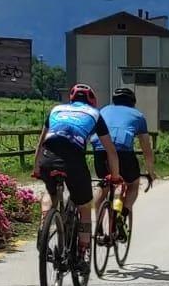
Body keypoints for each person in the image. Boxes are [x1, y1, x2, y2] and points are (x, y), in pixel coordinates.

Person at [33, 83, 120, 267]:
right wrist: (115, 176)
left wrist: (36, 169)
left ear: (70, 99)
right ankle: (83, 252)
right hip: (73, 159)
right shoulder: (95, 114)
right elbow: (110, 150)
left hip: (49, 156)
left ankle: (43, 231)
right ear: (92, 101)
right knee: (84, 206)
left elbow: (41, 143)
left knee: (50, 194)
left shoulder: (56, 110)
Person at [95, 86, 157, 225]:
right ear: (133, 102)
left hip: (100, 150)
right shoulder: (138, 115)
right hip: (123, 153)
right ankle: (123, 213)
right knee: (133, 184)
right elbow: (146, 148)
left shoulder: (103, 111)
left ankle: (98, 224)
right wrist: (150, 171)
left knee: (104, 184)